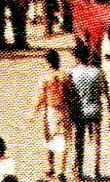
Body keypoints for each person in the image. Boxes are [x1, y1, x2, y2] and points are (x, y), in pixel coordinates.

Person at [33, 50, 71, 182]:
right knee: (64, 140)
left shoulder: (45, 78)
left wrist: (34, 112)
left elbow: (41, 97)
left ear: (48, 62)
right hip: (64, 110)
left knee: (50, 139)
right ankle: (61, 170)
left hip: (50, 110)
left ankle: (51, 167)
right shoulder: (65, 76)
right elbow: (71, 95)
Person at [68, 40, 105, 180]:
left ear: (77, 57)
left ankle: (79, 169)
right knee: (95, 141)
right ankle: (95, 170)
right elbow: (103, 92)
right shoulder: (97, 72)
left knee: (79, 140)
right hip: (95, 109)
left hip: (79, 111)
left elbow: (70, 93)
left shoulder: (72, 73)